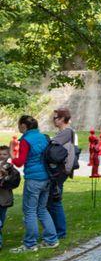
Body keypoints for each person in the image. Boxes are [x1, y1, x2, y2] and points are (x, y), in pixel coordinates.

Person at [9, 115, 58, 252]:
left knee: (29, 211)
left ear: (24, 126)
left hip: (34, 179)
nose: (18, 127)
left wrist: (12, 154)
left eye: (19, 125)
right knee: (42, 209)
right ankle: (51, 240)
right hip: (47, 178)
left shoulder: (26, 140)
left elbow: (20, 162)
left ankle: (30, 244)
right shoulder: (43, 137)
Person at [47, 107, 77, 241]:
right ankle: (57, 230)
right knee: (52, 202)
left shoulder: (67, 132)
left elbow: (51, 145)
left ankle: (60, 232)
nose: (54, 120)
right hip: (60, 171)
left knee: (55, 201)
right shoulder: (64, 132)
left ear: (63, 119)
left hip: (60, 171)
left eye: (56, 118)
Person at [0, 145, 12, 251]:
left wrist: (5, 177)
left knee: (1, 221)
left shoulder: (10, 167)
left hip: (4, 199)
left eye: (4, 154)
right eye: (0, 154)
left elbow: (13, 182)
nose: (2, 156)